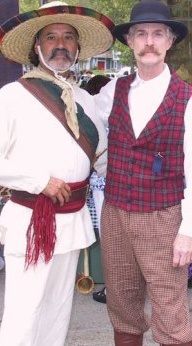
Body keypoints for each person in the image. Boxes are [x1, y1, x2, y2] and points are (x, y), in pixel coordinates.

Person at [0, 1, 114, 345]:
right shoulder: (12, 96)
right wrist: (39, 181)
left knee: (58, 312)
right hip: (32, 221)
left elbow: (103, 157)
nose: (60, 44)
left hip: (72, 222)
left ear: (78, 48)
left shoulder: (85, 99)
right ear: (38, 47)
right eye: (51, 37)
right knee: (25, 314)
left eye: (68, 37)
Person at [94, 0, 192, 345]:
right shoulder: (111, 92)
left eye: (157, 34)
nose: (149, 42)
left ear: (170, 42)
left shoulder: (187, 99)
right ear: (131, 43)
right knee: (122, 305)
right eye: (141, 34)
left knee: (170, 310)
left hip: (163, 217)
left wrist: (188, 231)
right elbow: (89, 137)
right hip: (116, 212)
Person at [85, 74, 111, 304]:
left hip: (103, 182)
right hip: (117, 180)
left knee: (109, 237)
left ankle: (113, 290)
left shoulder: (91, 110)